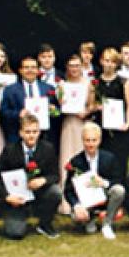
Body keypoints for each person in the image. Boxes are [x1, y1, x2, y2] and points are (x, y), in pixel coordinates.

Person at [0, 114, 63, 239]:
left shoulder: (48, 149)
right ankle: (18, 217)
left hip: (39, 195)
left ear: (39, 132)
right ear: (20, 133)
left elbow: (55, 175)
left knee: (56, 192)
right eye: (27, 132)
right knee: (15, 233)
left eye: (35, 131)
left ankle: (45, 224)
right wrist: (7, 197)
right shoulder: (10, 150)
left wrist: (43, 180)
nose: (31, 135)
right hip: (16, 199)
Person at [63, 123, 125, 240]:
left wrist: (104, 183)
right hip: (85, 202)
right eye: (87, 140)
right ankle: (89, 219)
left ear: (99, 140)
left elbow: (118, 180)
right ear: (82, 140)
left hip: (105, 197)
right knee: (78, 218)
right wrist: (76, 205)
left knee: (119, 190)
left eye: (94, 140)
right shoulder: (75, 162)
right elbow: (68, 190)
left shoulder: (110, 158)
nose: (90, 144)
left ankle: (107, 224)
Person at [58, 54, 97, 187]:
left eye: (77, 65)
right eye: (71, 65)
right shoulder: (63, 84)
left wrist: (86, 112)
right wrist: (61, 100)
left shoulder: (89, 83)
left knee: (84, 158)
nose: (74, 68)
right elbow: (60, 105)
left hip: (82, 124)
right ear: (67, 67)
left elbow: (92, 105)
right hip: (68, 124)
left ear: (81, 66)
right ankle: (66, 199)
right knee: (67, 157)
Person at [1, 56, 57, 146]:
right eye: (26, 67)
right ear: (20, 70)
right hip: (17, 137)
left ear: (38, 70)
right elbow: (3, 112)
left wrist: (54, 110)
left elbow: (58, 112)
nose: (30, 70)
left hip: (44, 137)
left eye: (33, 67)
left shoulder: (48, 88)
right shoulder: (10, 90)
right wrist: (18, 114)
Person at [92, 47, 129, 164]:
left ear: (117, 64)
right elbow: (90, 105)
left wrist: (128, 123)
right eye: (107, 60)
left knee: (120, 159)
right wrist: (97, 107)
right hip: (101, 127)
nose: (109, 64)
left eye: (113, 62)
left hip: (119, 127)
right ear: (101, 61)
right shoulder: (95, 82)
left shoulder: (124, 82)